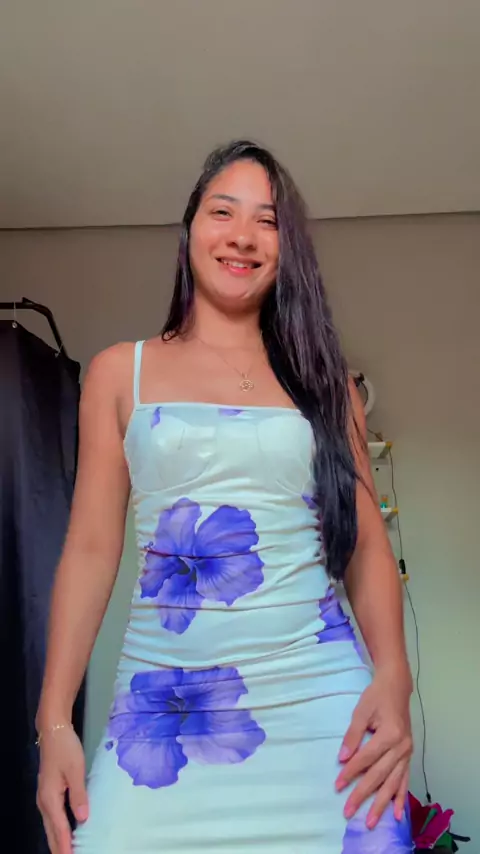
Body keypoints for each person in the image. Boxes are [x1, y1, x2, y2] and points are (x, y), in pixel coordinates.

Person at [36, 140, 414, 853]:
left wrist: (395, 680)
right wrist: (53, 720)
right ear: (189, 231)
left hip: (320, 713)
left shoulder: (329, 386)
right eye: (222, 212)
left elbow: (366, 548)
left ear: (286, 249)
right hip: (161, 713)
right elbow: (89, 550)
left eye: (267, 221)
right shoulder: (121, 374)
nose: (242, 235)